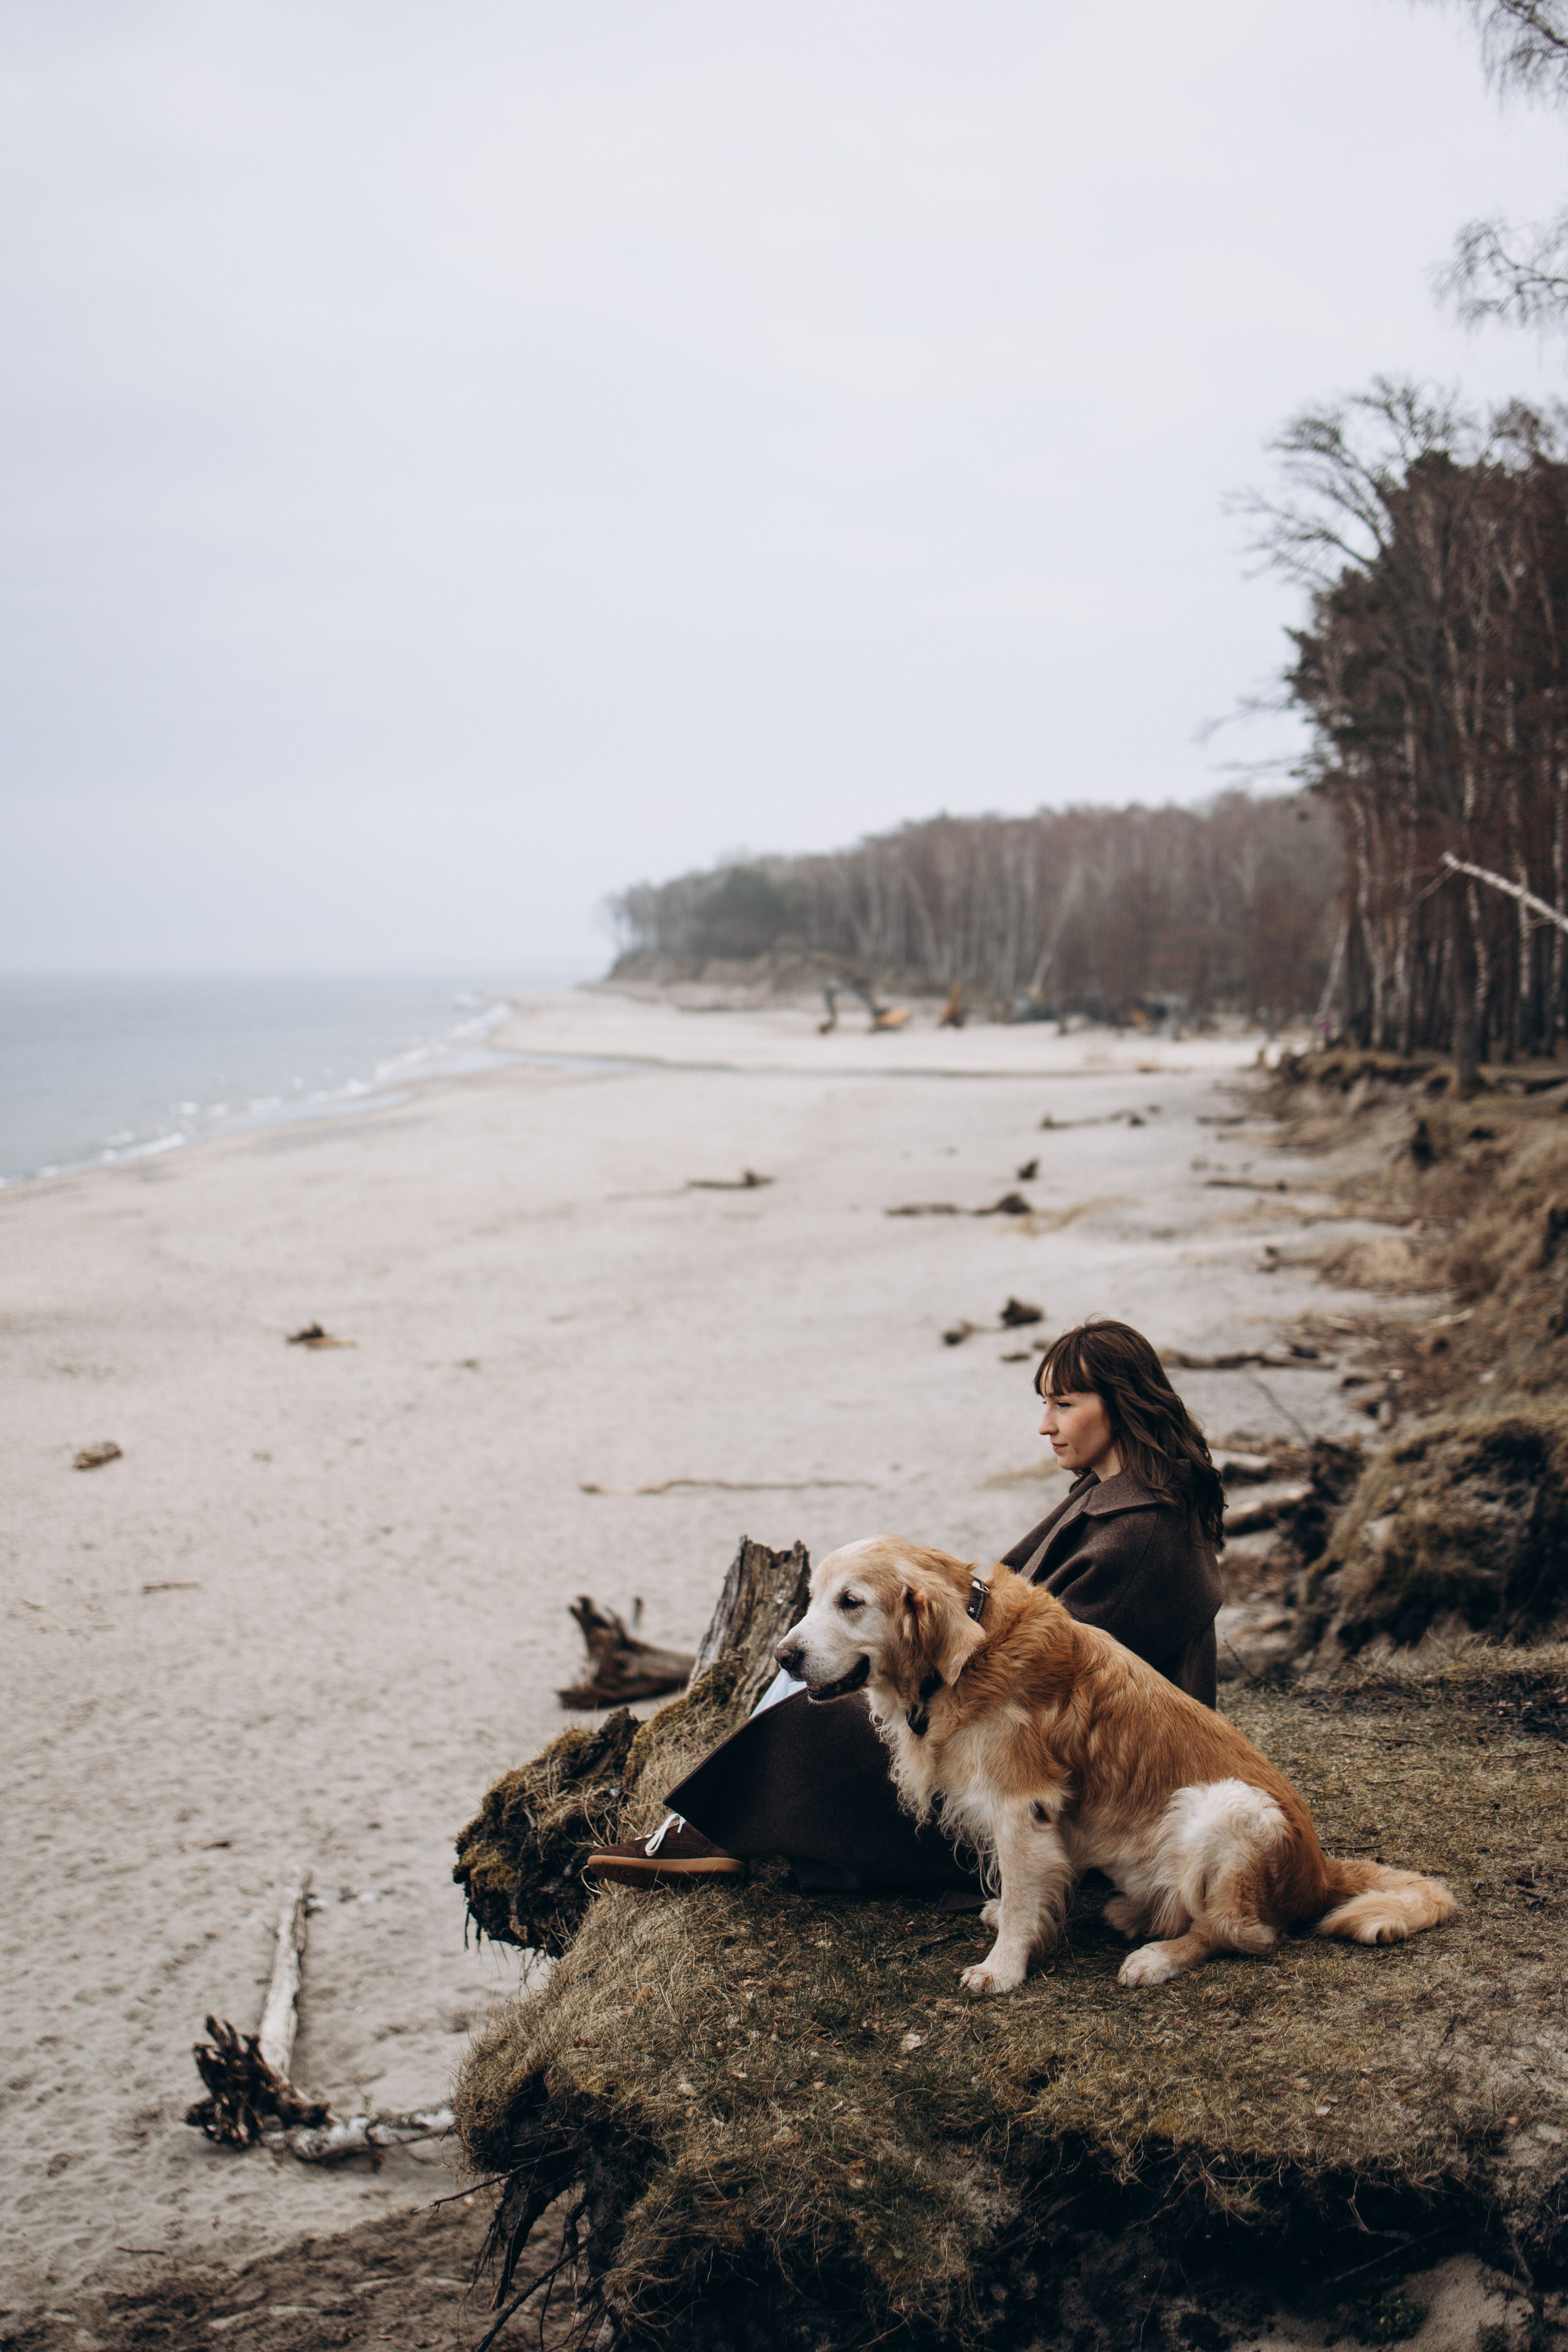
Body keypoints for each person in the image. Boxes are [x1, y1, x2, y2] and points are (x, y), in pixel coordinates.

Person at [583, 1317, 1226, 1895]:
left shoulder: (1139, 1533)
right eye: (1044, 1404)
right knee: (812, 1660)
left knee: (819, 1708)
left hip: (1058, 1776)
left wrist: (918, 1671)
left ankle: (714, 1831)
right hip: (1025, 1725)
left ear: (1122, 1404)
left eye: (1064, 1404)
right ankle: (704, 1827)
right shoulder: (1116, 1493)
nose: (1045, 1425)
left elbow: (1049, 1679)